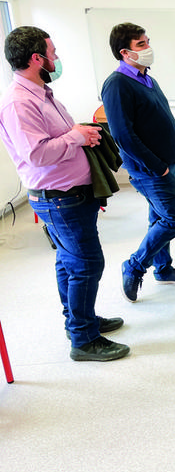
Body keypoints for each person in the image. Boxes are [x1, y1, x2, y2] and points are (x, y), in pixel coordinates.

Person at [0, 26, 129, 361]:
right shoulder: (18, 103)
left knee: (69, 262)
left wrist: (77, 133)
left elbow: (54, 139)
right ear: (36, 58)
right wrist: (76, 137)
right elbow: (37, 154)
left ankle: (79, 321)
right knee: (86, 263)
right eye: (52, 53)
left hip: (70, 193)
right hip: (59, 197)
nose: (56, 59)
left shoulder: (42, 93)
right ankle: (84, 340)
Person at [101, 22, 175, 303]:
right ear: (124, 52)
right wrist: (157, 166)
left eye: (147, 41)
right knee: (173, 219)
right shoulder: (116, 84)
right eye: (141, 44)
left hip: (167, 162)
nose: (148, 48)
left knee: (158, 216)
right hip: (150, 169)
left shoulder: (147, 78)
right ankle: (134, 266)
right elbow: (123, 135)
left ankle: (163, 269)